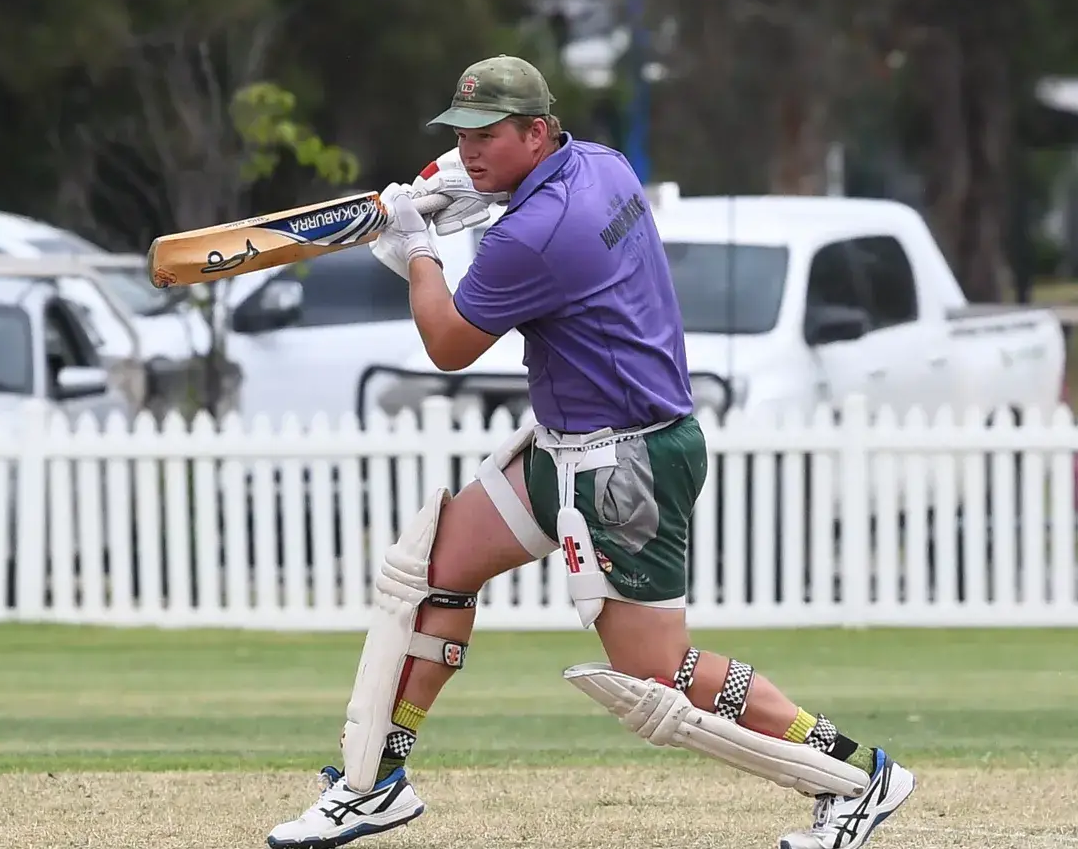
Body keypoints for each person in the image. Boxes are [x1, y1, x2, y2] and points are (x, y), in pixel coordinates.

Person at [264, 56, 915, 849]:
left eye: (488, 136)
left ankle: (854, 773)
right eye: (460, 135)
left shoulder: (535, 236)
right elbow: (500, 186)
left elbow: (447, 344)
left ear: (537, 132)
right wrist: (458, 187)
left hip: (624, 470)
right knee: (432, 570)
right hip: (570, 445)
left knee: (657, 675)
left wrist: (418, 247)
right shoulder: (601, 165)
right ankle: (376, 783)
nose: (470, 151)